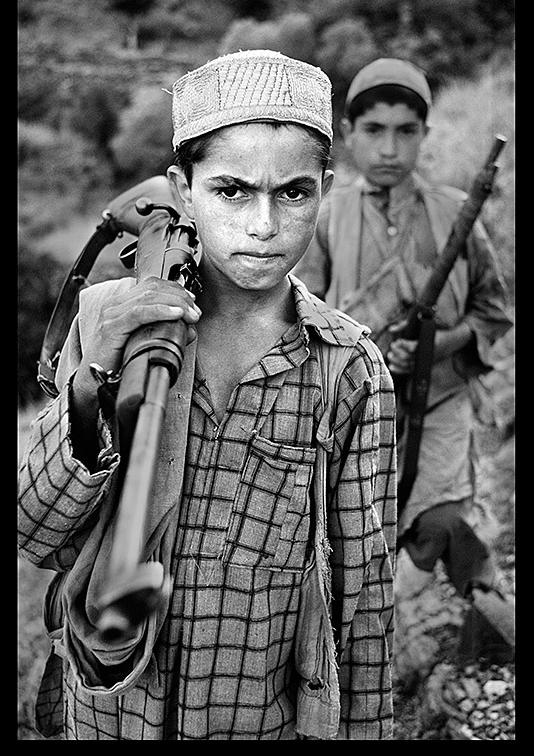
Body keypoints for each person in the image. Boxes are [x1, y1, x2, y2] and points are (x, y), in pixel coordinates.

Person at [18, 50, 397, 741]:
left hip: (260, 721)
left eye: (292, 192)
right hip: (113, 716)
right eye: (231, 191)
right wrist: (91, 383)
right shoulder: (111, 321)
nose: (262, 225)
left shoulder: (349, 369)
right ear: (182, 188)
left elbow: (365, 598)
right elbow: (33, 529)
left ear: (327, 188)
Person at [293, 58, 513, 644]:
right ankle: (363, 643)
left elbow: (493, 310)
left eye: (406, 131)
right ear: (348, 134)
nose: (389, 148)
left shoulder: (453, 214)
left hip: (439, 402)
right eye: (374, 131)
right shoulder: (327, 215)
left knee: (438, 520)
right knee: (355, 534)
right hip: (351, 411)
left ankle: (425, 615)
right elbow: (300, 313)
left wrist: (440, 346)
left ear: (425, 136)